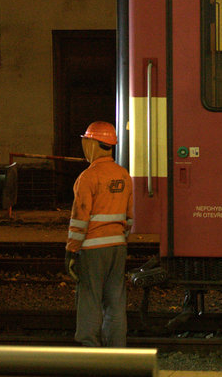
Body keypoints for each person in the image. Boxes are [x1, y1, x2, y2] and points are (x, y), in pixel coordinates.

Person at [64, 120, 133, 348]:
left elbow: (79, 218)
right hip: (118, 247)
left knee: (90, 299)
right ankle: (116, 347)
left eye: (86, 142)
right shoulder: (124, 176)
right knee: (115, 300)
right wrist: (121, 239)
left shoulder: (88, 177)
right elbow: (130, 218)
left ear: (93, 144)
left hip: (93, 249)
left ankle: (89, 347)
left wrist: (71, 251)